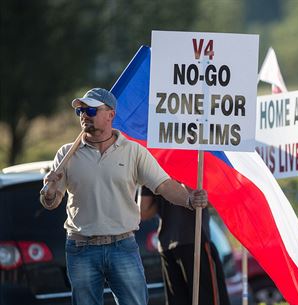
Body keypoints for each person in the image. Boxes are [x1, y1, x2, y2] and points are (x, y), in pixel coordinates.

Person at [39, 88, 207, 305]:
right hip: (81, 248)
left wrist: (189, 200)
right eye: (80, 111)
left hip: (122, 246)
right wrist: (50, 193)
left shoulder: (133, 151)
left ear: (111, 114)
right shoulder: (66, 154)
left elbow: (164, 186)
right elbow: (51, 202)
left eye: (90, 110)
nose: (83, 115)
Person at [140, 186, 231, 305]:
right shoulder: (197, 167)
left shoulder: (154, 167)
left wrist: (166, 195)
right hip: (195, 240)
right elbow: (214, 199)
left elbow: (143, 210)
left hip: (167, 243)